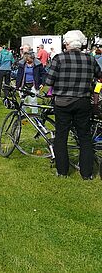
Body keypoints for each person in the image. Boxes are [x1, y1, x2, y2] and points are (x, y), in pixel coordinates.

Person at [45, 30, 102, 179]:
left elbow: (49, 81)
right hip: (83, 101)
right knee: (85, 136)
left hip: (62, 102)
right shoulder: (89, 59)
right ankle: (87, 173)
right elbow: (99, 75)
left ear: (67, 43)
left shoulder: (59, 58)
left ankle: (62, 171)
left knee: (61, 136)